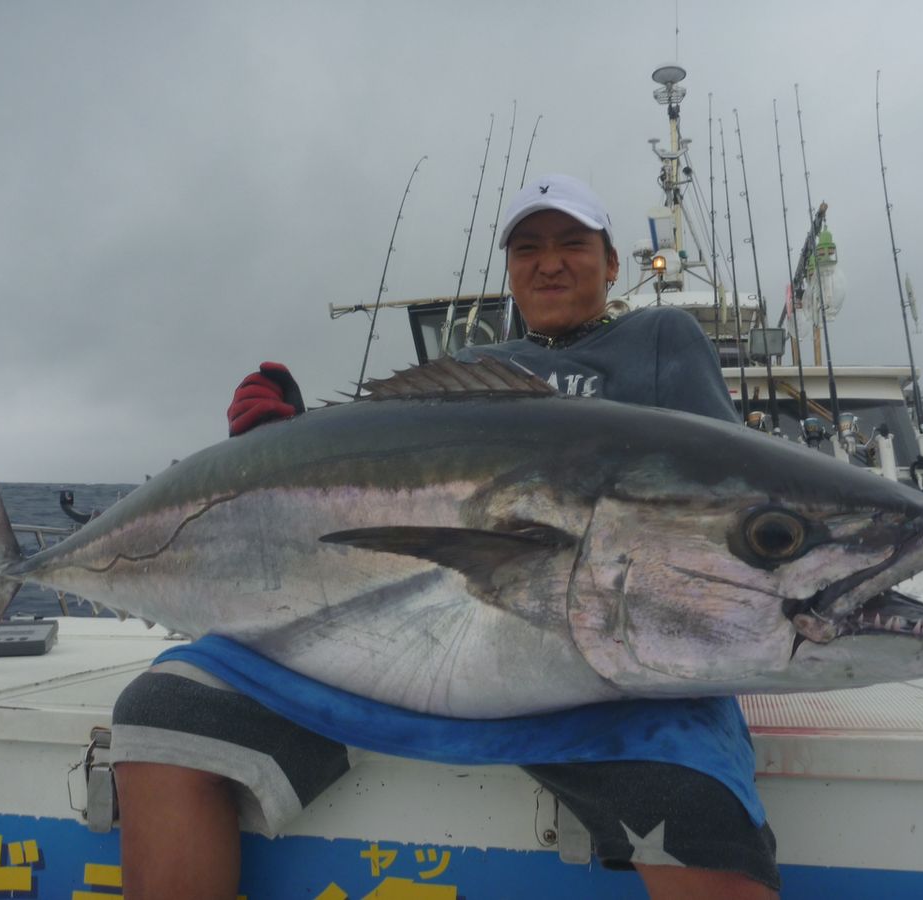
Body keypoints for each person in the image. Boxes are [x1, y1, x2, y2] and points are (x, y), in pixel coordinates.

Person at [112, 174, 780, 899]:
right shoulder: (474, 374)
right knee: (162, 708)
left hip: (600, 664)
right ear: (510, 269)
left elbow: (724, 488)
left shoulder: (659, 337)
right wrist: (288, 440)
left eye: (571, 244)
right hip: (431, 641)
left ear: (612, 263)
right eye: (527, 248)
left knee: (693, 803)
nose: (548, 261)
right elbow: (379, 470)